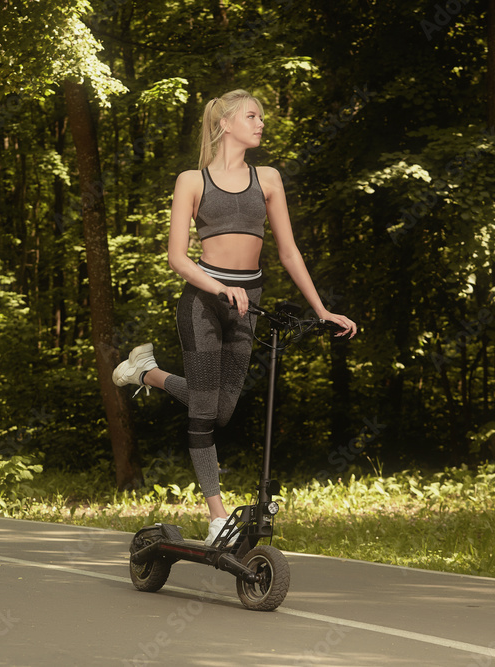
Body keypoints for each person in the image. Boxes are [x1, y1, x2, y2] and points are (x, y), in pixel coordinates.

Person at [112, 89, 357, 546]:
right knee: (204, 413)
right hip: (203, 301)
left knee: (223, 410)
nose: (261, 123)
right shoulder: (192, 180)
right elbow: (177, 258)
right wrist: (221, 287)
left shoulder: (268, 179)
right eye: (252, 116)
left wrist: (321, 309)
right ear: (226, 124)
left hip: (249, 303)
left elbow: (287, 251)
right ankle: (216, 516)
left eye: (261, 117)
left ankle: (146, 373)